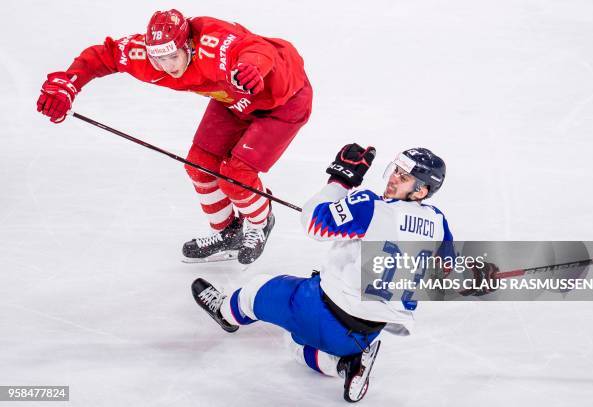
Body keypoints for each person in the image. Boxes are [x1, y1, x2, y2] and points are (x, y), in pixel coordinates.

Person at [36, 9, 312, 264]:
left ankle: (260, 221)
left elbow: (256, 48)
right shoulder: (147, 56)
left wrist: (253, 67)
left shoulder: (212, 48)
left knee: (236, 175)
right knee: (199, 164)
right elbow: (103, 56)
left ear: (189, 46)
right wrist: (68, 84)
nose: (167, 67)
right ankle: (229, 232)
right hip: (231, 97)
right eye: (159, 58)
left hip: (281, 101)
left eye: (172, 57)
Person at [190, 143, 454, 402]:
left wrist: (340, 181)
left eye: (404, 177)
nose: (394, 178)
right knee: (297, 346)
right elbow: (445, 268)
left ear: (421, 191)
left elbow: (314, 223)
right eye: (395, 170)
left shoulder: (371, 206)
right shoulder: (439, 221)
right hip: (368, 333)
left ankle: (225, 312)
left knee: (258, 289)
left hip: (321, 309)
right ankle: (345, 365)